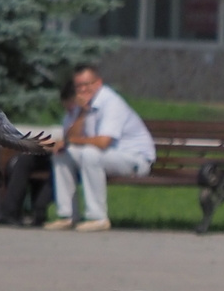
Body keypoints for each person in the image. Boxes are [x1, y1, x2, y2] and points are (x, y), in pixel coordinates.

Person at [45, 64, 156, 232]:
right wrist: (82, 114)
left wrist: (70, 141)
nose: (83, 89)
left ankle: (98, 218)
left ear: (98, 83)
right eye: (78, 86)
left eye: (87, 84)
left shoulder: (111, 102)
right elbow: (70, 138)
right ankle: (67, 216)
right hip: (107, 157)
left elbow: (103, 142)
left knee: (90, 154)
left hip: (135, 159)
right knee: (62, 154)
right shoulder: (82, 104)